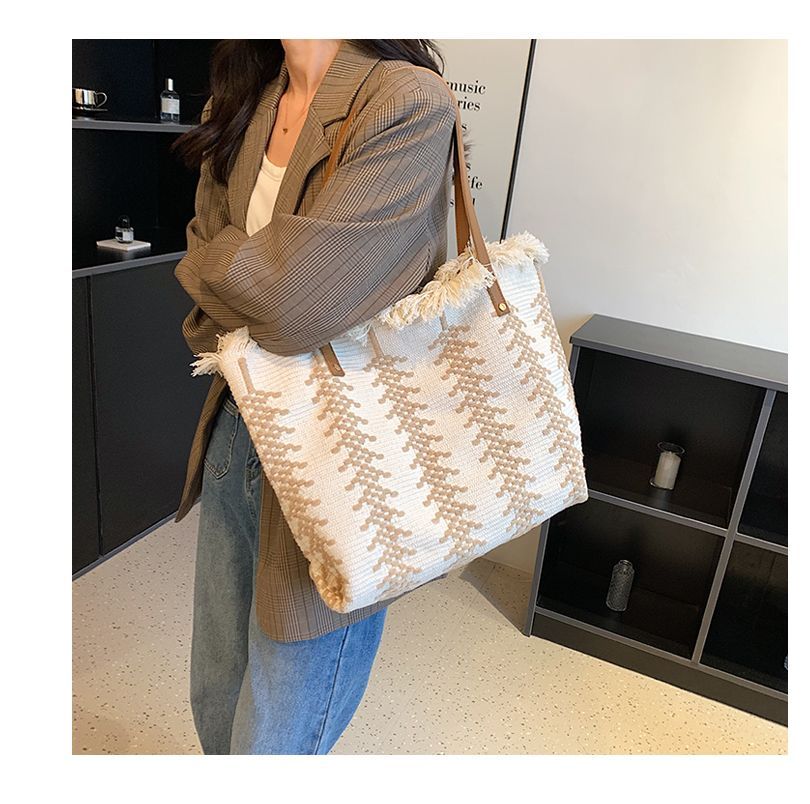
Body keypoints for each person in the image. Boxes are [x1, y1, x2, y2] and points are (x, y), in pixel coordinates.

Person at [169, 39, 458, 754]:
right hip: (237, 425)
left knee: (275, 735)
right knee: (215, 694)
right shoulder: (242, 99)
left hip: (340, 450)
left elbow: (295, 302)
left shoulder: (406, 100)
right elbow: (198, 248)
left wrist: (241, 283)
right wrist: (252, 283)